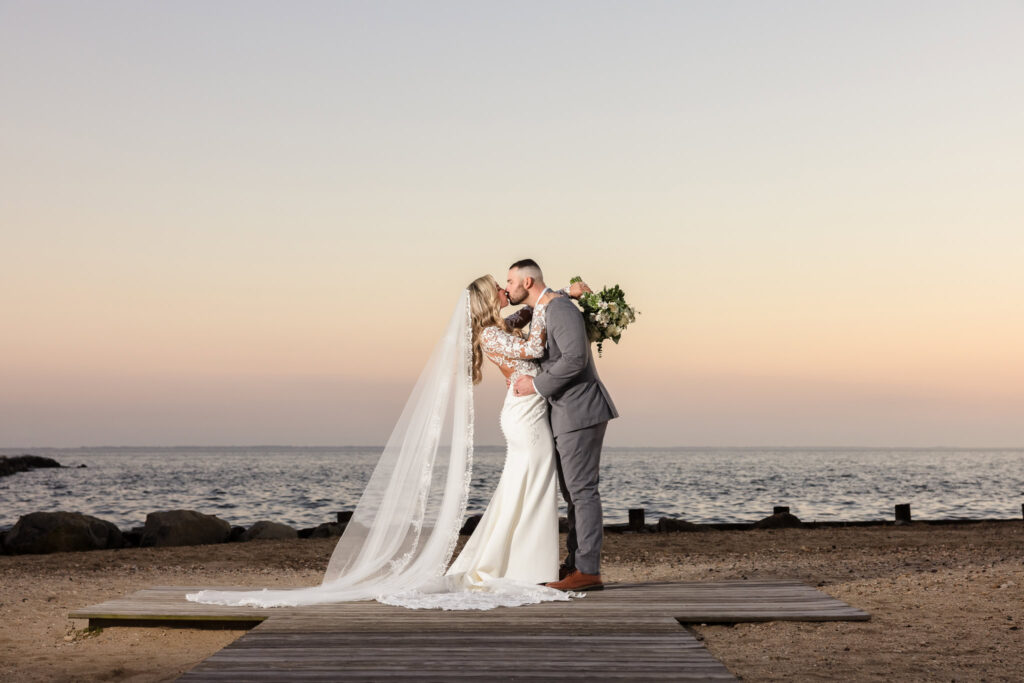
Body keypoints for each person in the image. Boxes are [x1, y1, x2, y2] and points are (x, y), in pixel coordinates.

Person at [186, 271, 591, 610]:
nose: (506, 291)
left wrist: (553, 297)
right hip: (524, 418)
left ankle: (526, 564)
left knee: (524, 488)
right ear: (487, 300)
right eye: (499, 288)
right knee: (533, 485)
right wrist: (555, 299)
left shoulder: (500, 327)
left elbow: (529, 312)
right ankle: (526, 568)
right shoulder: (492, 335)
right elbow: (537, 344)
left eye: (507, 284)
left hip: (527, 413)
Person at [511, 259, 618, 592]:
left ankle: (587, 570)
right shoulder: (550, 307)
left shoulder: (561, 311)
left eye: (511, 280)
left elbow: (575, 359)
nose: (508, 286)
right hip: (566, 413)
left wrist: (536, 385)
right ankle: (575, 564)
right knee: (573, 493)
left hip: (580, 410)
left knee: (582, 492)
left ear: (527, 282)